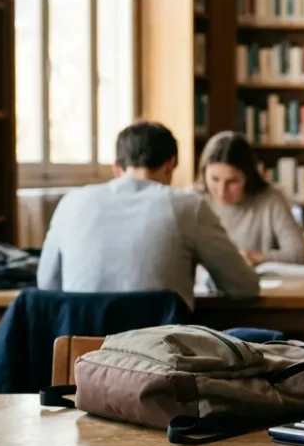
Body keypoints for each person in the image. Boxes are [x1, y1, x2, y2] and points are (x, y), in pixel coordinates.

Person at [37, 121, 260, 309]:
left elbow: (46, 284)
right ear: (170, 165)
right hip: (159, 357)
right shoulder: (188, 206)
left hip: (80, 354)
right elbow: (245, 288)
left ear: (117, 168)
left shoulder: (71, 202)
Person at [197, 131, 304, 265]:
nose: (221, 191)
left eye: (232, 181)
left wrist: (258, 257)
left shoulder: (271, 199)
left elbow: (300, 254)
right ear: (204, 173)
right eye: (215, 179)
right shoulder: (194, 199)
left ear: (248, 177)